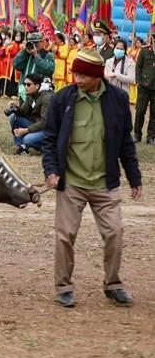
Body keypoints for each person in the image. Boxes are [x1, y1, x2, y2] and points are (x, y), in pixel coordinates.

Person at [42, 46, 142, 308]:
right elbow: (50, 140)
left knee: (115, 233)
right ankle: (63, 287)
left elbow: (125, 143)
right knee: (65, 236)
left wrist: (134, 178)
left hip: (105, 184)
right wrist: (51, 171)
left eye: (82, 76)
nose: (76, 79)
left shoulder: (119, 100)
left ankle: (113, 284)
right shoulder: (62, 99)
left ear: (97, 76)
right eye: (75, 74)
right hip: (71, 183)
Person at [7, 73, 53, 155]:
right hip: (36, 125)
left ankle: (49, 148)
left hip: (48, 129)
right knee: (13, 117)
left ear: (37, 86)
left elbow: (45, 122)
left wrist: (26, 130)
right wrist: (15, 108)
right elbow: (23, 112)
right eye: (25, 84)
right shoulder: (31, 95)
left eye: (28, 84)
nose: (25, 87)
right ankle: (21, 147)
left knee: (28, 139)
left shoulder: (46, 98)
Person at [12, 31, 55, 100]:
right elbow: (15, 65)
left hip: (40, 92)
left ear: (42, 42)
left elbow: (49, 70)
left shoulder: (47, 55)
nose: (34, 45)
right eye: (32, 43)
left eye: (36, 43)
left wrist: (36, 56)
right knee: (23, 110)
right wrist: (22, 51)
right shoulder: (26, 54)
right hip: (25, 90)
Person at [133, 25, 155, 144]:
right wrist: (139, 82)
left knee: (154, 114)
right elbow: (138, 67)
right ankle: (137, 134)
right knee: (140, 111)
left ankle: (151, 136)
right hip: (144, 87)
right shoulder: (145, 50)